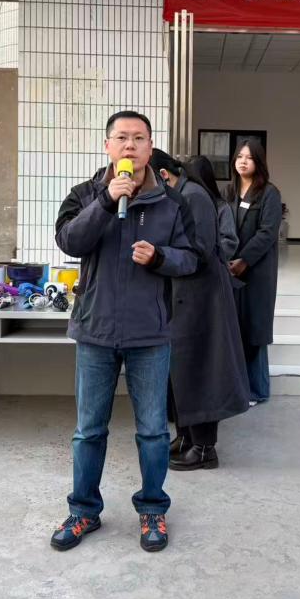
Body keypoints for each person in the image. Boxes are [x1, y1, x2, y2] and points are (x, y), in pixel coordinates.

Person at [51, 111, 199, 553]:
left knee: (153, 431)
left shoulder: (172, 203)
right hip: (95, 330)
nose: (130, 145)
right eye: (121, 138)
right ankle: (83, 511)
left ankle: (152, 508)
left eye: (138, 138)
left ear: (150, 148)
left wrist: (160, 257)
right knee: (88, 431)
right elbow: (69, 241)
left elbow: (192, 259)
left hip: (149, 333)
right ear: (108, 146)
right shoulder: (84, 194)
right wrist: (105, 201)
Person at [150, 150, 251, 471]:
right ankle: (187, 437)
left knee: (202, 369)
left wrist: (158, 256)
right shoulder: (181, 193)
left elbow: (199, 250)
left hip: (202, 298)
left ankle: (205, 449)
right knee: (183, 369)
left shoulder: (193, 196)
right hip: (186, 295)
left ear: (163, 175)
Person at [225, 139, 282, 405]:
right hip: (231, 268)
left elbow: (268, 232)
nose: (243, 161)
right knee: (235, 327)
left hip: (257, 271)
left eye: (249, 157)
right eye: (239, 156)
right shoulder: (229, 192)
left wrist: (244, 260)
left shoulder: (269, 193)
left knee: (255, 328)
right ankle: (239, 388)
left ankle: (257, 390)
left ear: (258, 162)